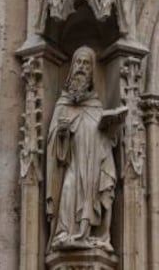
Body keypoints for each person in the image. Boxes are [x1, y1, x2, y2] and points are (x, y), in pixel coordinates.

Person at [46, 46, 117, 253]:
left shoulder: (96, 106)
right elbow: (53, 150)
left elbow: (104, 140)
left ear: (92, 71)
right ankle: (64, 234)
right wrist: (61, 133)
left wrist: (110, 132)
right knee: (68, 191)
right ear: (71, 67)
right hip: (73, 166)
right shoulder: (63, 105)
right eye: (78, 63)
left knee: (92, 197)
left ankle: (95, 236)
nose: (81, 68)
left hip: (94, 167)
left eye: (86, 64)